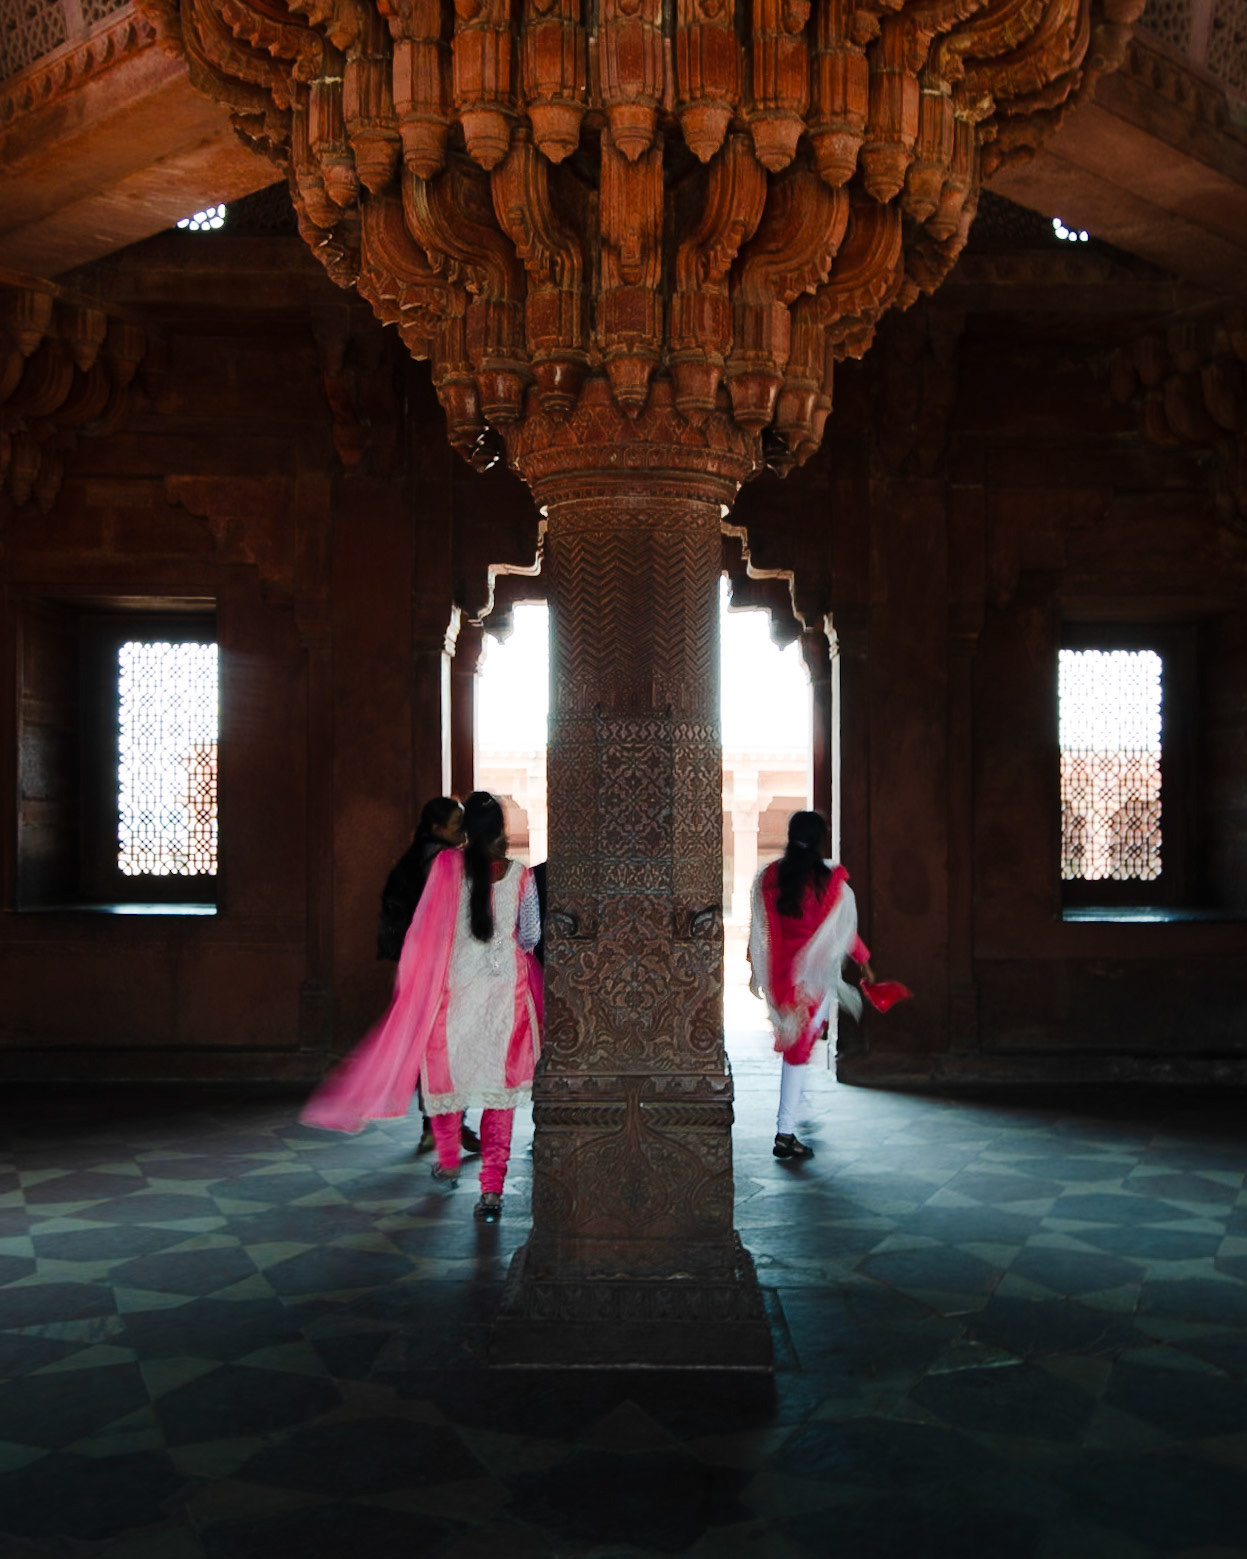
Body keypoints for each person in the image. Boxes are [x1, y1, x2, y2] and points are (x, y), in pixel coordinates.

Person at [304, 791, 542, 1222]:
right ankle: (491, 1193)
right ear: (502, 832)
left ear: (467, 829)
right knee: (498, 1095)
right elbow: (530, 937)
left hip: (453, 994)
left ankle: (449, 1160)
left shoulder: (446, 867)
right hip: (505, 998)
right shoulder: (522, 876)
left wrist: (417, 983)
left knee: (447, 1084)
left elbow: (425, 932)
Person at [748, 810, 874, 1162]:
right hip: (812, 978)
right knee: (798, 1052)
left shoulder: (769, 876)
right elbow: (842, 931)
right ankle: (785, 1133)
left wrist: (754, 966)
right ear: (820, 839)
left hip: (781, 974)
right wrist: (865, 961)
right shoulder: (829, 880)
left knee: (797, 1047)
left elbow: (760, 928)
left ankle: (797, 1111)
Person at [375, 797, 482, 1158]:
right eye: (456, 824)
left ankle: (434, 1126)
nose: (462, 831)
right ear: (437, 828)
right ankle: (448, 1123)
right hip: (444, 968)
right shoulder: (444, 860)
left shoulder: (414, 857)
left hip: (418, 967)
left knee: (431, 1044)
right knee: (453, 1044)